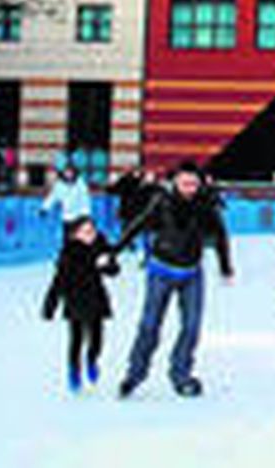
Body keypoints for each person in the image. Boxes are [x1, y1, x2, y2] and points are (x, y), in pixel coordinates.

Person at [109, 161, 233, 399]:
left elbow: (220, 235)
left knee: (191, 327)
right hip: (161, 271)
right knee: (150, 325)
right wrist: (115, 250)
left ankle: (181, 375)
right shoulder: (162, 201)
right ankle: (134, 375)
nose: (189, 188)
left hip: (191, 273)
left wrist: (225, 267)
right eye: (184, 183)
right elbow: (138, 225)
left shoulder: (206, 205)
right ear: (175, 182)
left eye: (193, 184)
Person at [42, 215, 120, 393]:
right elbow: (59, 281)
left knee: (97, 338)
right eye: (85, 232)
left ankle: (92, 360)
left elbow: (114, 271)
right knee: (76, 339)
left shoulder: (100, 247)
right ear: (75, 235)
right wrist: (50, 305)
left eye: (92, 231)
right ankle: (74, 370)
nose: (90, 235)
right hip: (75, 299)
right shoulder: (68, 254)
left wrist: (106, 264)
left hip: (95, 298)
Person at [40, 164, 93, 241]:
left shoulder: (80, 183)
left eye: (70, 172)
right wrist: (45, 208)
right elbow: (53, 197)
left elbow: (85, 198)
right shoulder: (59, 185)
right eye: (66, 172)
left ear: (74, 173)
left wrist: (86, 212)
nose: (68, 174)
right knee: (67, 238)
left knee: (80, 237)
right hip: (67, 216)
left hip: (79, 215)